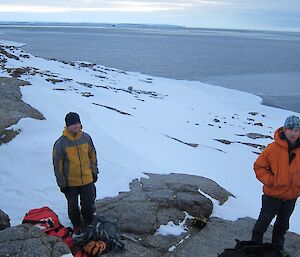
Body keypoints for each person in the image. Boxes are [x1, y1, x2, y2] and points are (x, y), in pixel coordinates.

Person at [251, 115, 300, 254]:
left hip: (291, 197)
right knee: (262, 224)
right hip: (272, 195)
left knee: (282, 226)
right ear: (284, 130)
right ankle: (253, 248)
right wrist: (272, 181)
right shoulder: (272, 149)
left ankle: (277, 250)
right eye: (290, 129)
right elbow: (259, 167)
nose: (293, 133)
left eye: (297, 130)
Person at [53, 112, 99, 234]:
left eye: (77, 123)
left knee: (89, 204)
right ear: (67, 126)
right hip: (70, 182)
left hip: (87, 179)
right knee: (73, 206)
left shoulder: (86, 138)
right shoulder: (61, 143)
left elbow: (92, 155)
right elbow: (58, 165)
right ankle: (77, 225)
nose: (75, 126)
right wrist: (62, 183)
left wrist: (94, 172)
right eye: (72, 124)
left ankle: (88, 221)